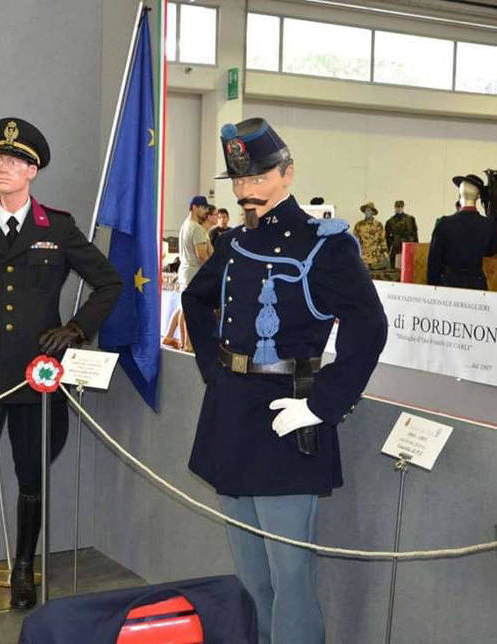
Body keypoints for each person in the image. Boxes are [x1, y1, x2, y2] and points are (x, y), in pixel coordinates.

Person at [182, 117, 387, 644]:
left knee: (291, 576)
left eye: (258, 179)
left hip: (287, 419)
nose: (247, 192)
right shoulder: (232, 241)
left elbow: (370, 326)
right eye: (239, 182)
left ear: (287, 174)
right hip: (232, 416)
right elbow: (195, 299)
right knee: (252, 574)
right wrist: (217, 371)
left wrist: (323, 404)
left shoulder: (326, 245)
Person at [0, 117, 122, 631]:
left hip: (35, 378)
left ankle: (24, 569)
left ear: (33, 171)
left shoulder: (56, 228)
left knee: (32, 481)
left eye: (15, 162)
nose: (4, 168)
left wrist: (76, 329)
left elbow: (108, 283)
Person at [427, 174, 497, 290]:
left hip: (448, 286)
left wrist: (433, 290)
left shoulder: (443, 224)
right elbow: (491, 251)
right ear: (478, 196)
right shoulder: (489, 225)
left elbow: (433, 265)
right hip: (477, 288)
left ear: (459, 195)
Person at [162, 196, 211, 351]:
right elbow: (201, 255)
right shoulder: (196, 228)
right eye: (203, 208)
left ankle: (175, 339)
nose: (206, 211)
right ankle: (188, 345)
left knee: (183, 308)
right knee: (190, 311)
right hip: (194, 272)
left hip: (184, 271)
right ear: (195, 207)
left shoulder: (185, 225)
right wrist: (212, 270)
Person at [354, 202, 389, 269]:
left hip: (375, 256)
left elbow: (382, 240)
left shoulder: (378, 225)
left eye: (369, 211)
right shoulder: (359, 225)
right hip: (363, 256)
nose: (367, 212)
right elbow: (355, 240)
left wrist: (384, 252)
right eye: (366, 211)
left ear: (373, 212)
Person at [385, 200, 418, 269]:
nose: (399, 209)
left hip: (408, 246)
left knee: (409, 268)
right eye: (397, 207)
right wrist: (389, 249)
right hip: (396, 247)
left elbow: (415, 234)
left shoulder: (410, 219)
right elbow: (387, 237)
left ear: (403, 207)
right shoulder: (390, 222)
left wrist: (416, 248)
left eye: (401, 207)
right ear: (395, 208)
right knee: (395, 269)